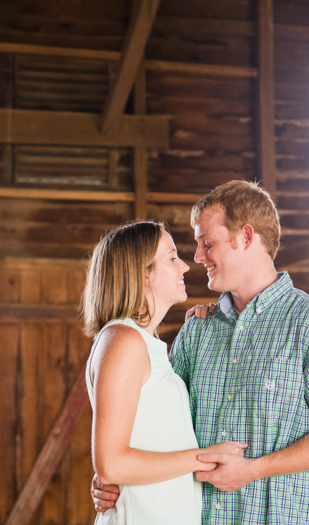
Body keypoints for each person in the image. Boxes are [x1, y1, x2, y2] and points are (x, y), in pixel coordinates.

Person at [92, 181, 309, 524]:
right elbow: (157, 426)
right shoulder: (198, 330)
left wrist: (253, 469)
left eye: (207, 243)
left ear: (246, 237)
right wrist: (118, 480)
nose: (197, 257)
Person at [83, 221, 246, 525]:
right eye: (172, 258)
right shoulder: (123, 341)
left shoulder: (146, 344)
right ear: (144, 272)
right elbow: (111, 464)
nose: (184, 266)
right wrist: (206, 456)